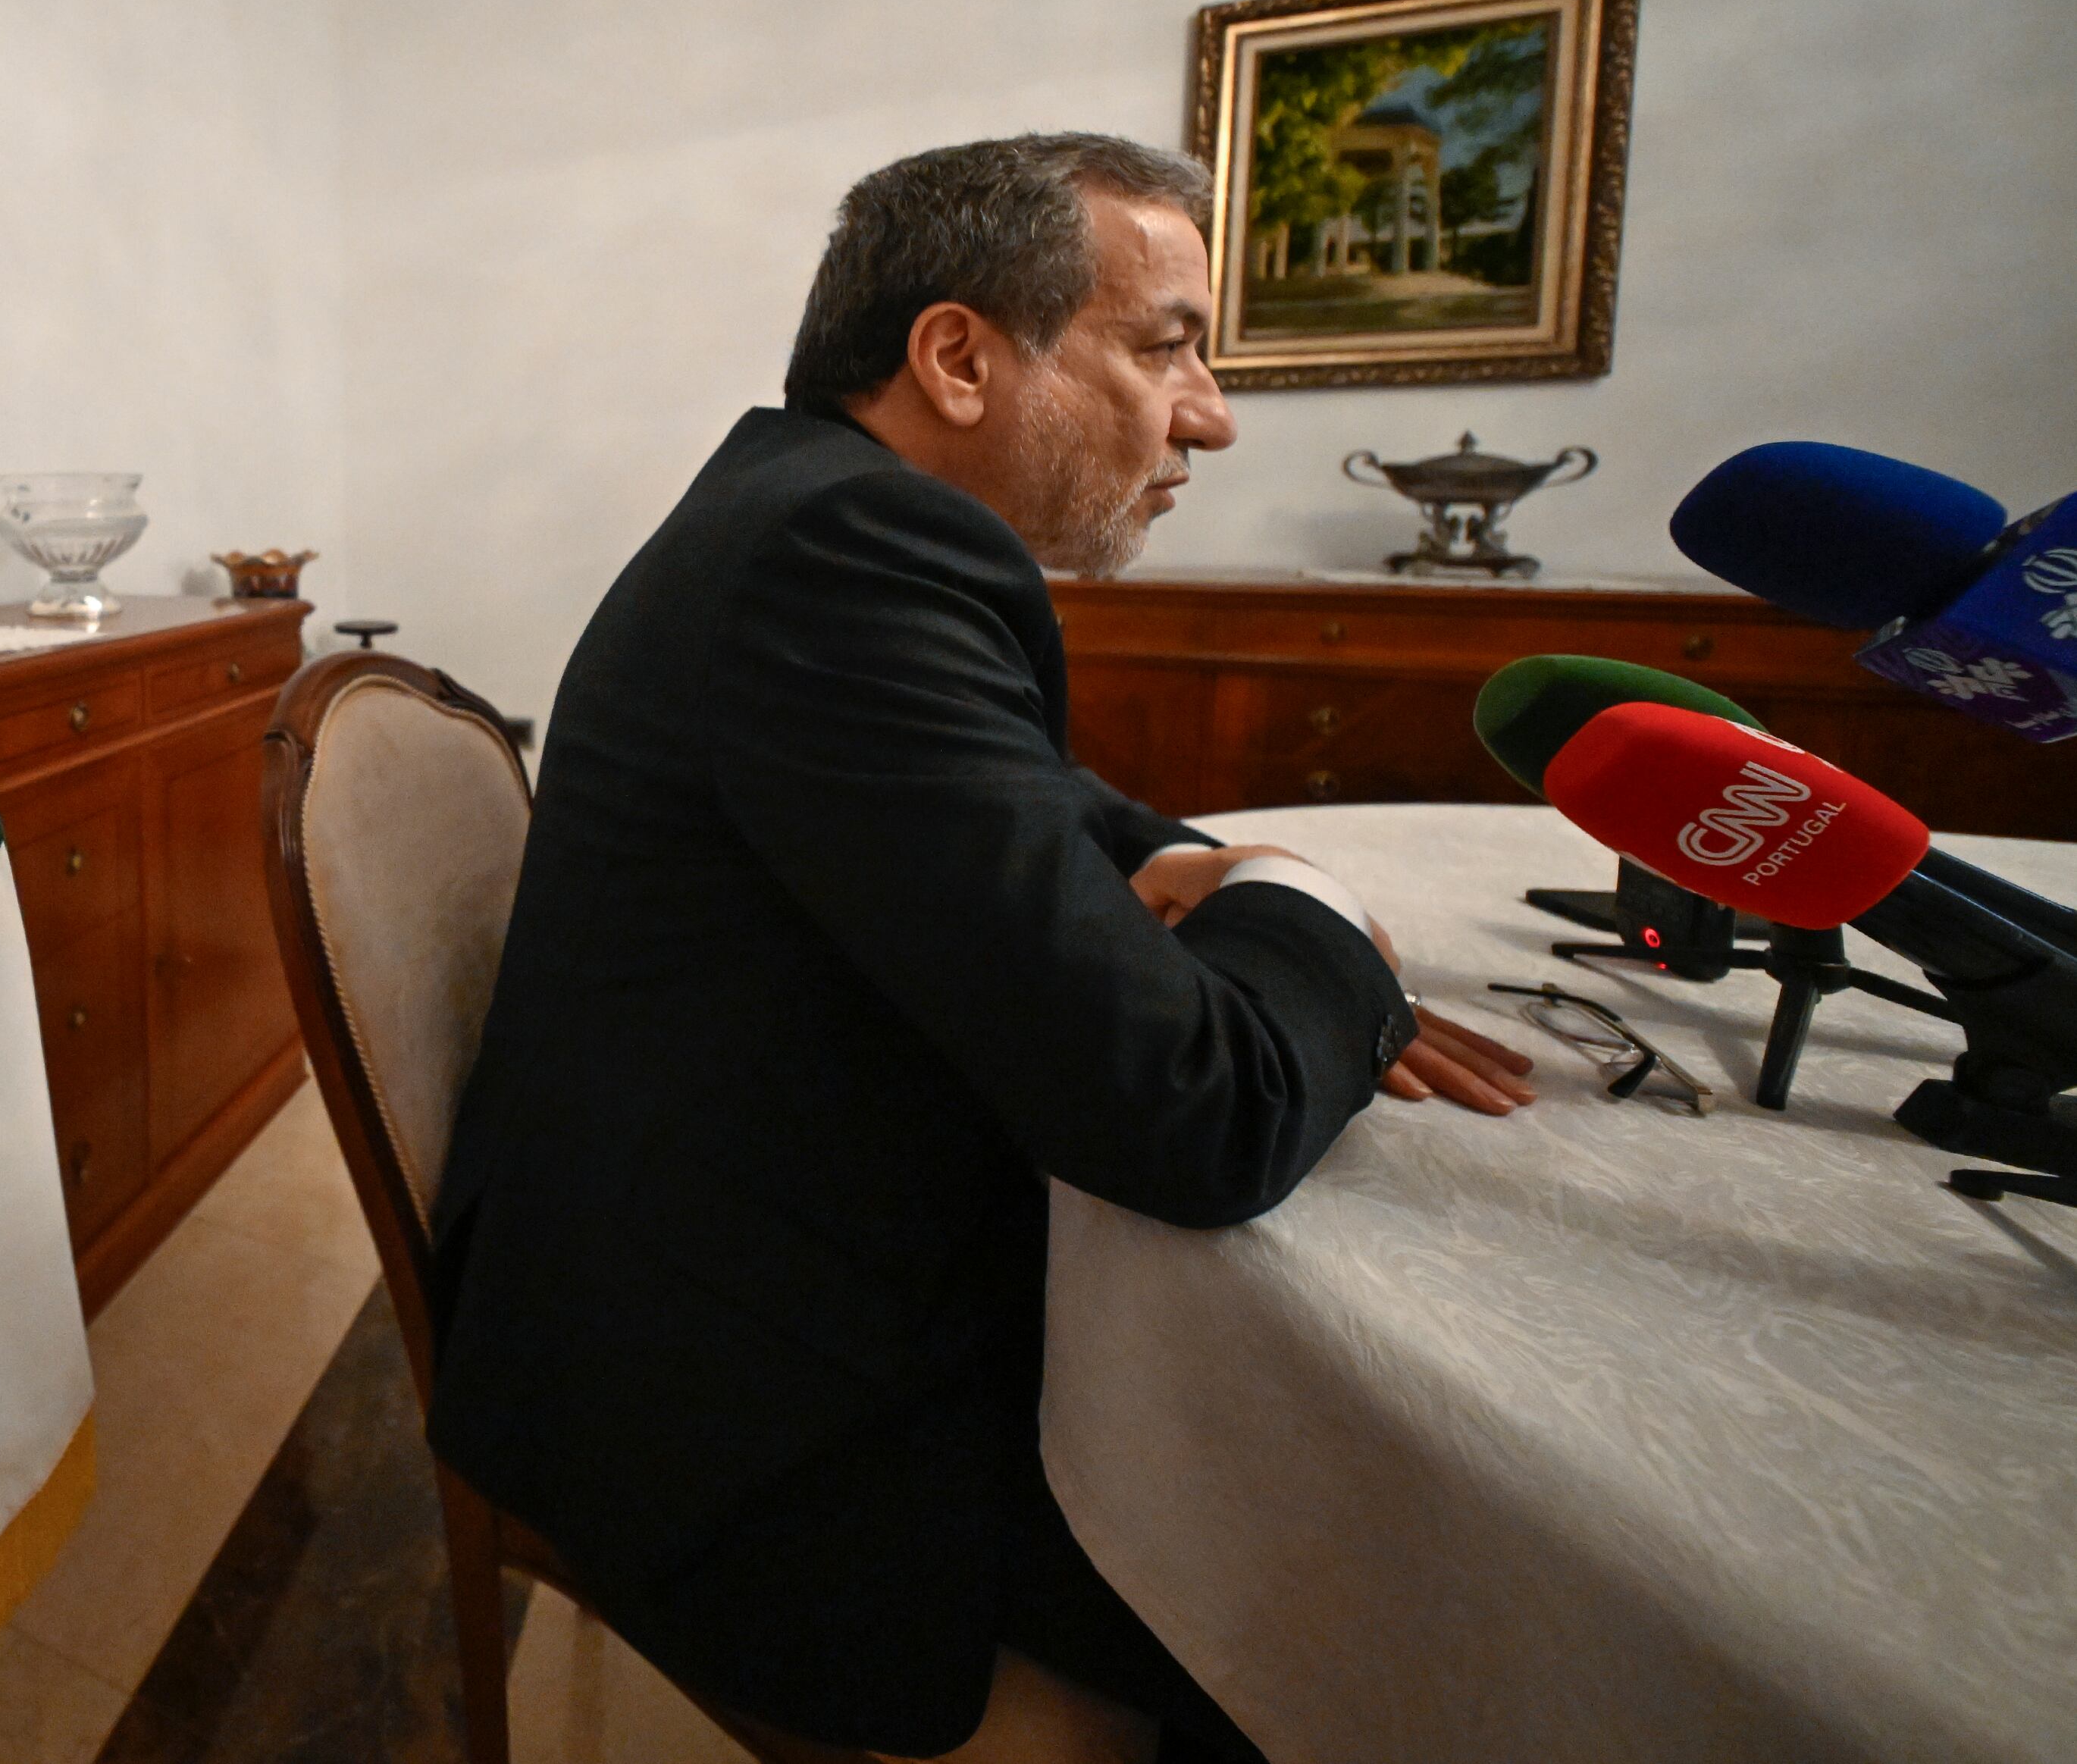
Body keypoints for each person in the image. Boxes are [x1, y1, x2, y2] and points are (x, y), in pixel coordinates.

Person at [421, 133, 1534, 1763]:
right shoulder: (848, 554)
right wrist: (1308, 912)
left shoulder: (807, 510)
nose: (1209, 415)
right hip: (735, 1406)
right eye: (1165, 345)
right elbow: (1195, 1117)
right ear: (956, 356)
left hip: (699, 1261)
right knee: (1338, 1618)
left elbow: (1006, 778)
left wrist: (1168, 854)